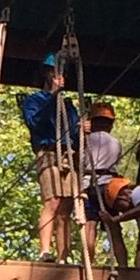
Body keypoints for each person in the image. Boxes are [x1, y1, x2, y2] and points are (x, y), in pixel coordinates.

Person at [20, 54, 83, 263]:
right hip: (47, 152)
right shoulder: (34, 100)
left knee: (66, 206)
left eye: (64, 74)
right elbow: (34, 122)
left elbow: (73, 130)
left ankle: (63, 255)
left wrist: (83, 129)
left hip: (67, 154)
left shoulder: (68, 105)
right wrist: (54, 97)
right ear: (48, 75)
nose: (62, 78)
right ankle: (45, 251)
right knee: (53, 201)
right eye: (58, 74)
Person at [83, 101, 127, 266]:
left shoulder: (86, 140)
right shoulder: (115, 142)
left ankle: (88, 263)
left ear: (92, 121)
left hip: (89, 184)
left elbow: (80, 162)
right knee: (114, 227)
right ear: (110, 123)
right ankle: (123, 265)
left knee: (90, 226)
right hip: (111, 187)